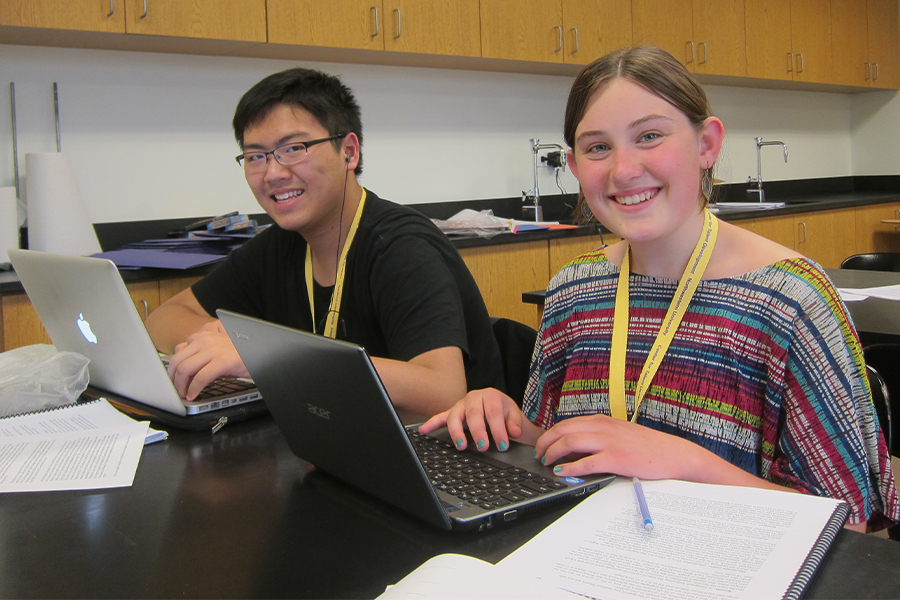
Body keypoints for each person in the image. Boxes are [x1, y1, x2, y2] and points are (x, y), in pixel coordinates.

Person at [421, 46, 899, 532]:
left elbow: (846, 524)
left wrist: (686, 463)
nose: (623, 170)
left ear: (707, 144)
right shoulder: (574, 291)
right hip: (592, 554)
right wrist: (512, 427)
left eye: (649, 136)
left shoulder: (792, 301)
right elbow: (559, 449)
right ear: (574, 164)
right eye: (597, 147)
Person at [145, 67, 504, 416]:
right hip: (337, 440)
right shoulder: (280, 244)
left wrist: (268, 355)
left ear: (349, 152)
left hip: (447, 460)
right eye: (256, 156)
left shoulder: (401, 247)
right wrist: (230, 345)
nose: (272, 173)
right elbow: (163, 320)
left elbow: (443, 392)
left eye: (294, 148)